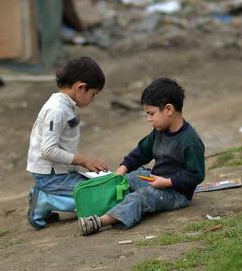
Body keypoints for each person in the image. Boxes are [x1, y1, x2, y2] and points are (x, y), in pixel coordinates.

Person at [79, 78, 205, 236]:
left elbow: (196, 174)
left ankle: (100, 221)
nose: (148, 119)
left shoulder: (189, 141)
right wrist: (121, 170)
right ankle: (104, 205)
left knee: (141, 197)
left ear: (169, 109)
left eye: (151, 113)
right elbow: (142, 152)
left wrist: (166, 182)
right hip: (155, 180)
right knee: (127, 179)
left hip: (176, 193)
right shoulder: (159, 132)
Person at [26, 56, 109, 229]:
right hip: (51, 177)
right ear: (80, 87)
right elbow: (48, 150)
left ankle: (49, 197)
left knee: (101, 186)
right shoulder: (56, 110)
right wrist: (84, 160)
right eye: (93, 94)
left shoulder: (65, 105)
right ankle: (43, 197)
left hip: (61, 174)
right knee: (96, 199)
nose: (92, 99)